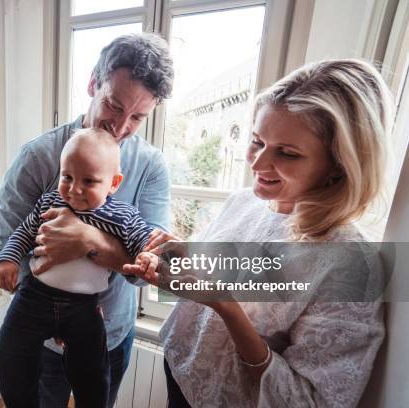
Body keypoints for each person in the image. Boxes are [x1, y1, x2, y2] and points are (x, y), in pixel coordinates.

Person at [124, 59, 392, 407]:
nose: (258, 164)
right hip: (179, 375)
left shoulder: (350, 265)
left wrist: (226, 307)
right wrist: (181, 255)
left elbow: (308, 401)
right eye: (257, 141)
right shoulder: (244, 202)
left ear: (339, 164)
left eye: (287, 153)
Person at [0, 32, 174, 407]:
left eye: (138, 116)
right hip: (42, 338)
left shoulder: (151, 167)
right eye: (113, 104)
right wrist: (54, 312)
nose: (121, 126)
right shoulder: (38, 157)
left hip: (111, 332)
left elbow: (152, 269)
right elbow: (7, 244)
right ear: (93, 83)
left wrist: (87, 240)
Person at [0, 129, 156, 408]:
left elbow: (144, 239)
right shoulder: (49, 202)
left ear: (114, 183)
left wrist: (148, 257)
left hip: (84, 307)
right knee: (8, 356)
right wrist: (6, 260)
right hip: (34, 297)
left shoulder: (121, 215)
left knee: (93, 374)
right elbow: (21, 233)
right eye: (67, 177)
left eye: (89, 181)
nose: (74, 189)